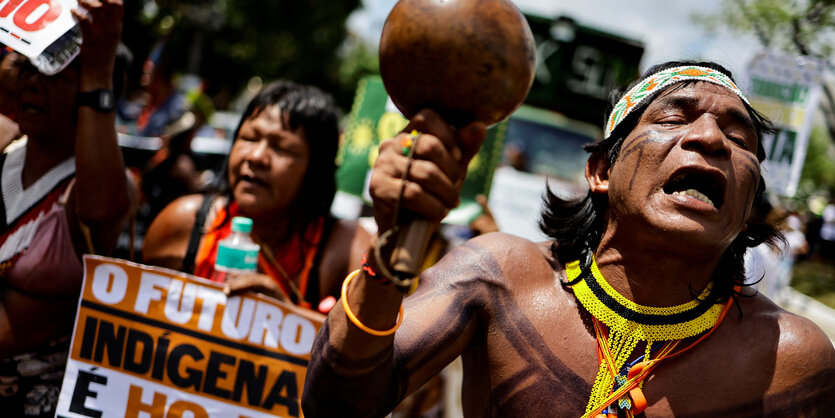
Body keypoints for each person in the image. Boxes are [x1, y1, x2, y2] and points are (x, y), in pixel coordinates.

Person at [302, 61, 835, 416]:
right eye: (675, 118)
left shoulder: (791, 358)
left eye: (738, 137)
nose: (708, 138)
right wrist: (395, 251)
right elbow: (334, 406)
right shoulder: (500, 276)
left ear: (746, 210)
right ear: (601, 169)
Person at [0, 0, 130, 416]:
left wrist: (97, 67)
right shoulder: (4, 150)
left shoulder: (101, 187)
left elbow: (101, 213)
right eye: (30, 67)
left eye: (57, 72)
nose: (36, 83)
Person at [142, 80, 371, 312]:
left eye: (282, 148)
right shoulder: (183, 223)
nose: (256, 156)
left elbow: (374, 343)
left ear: (316, 170)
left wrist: (286, 319)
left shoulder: (348, 250)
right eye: (249, 138)